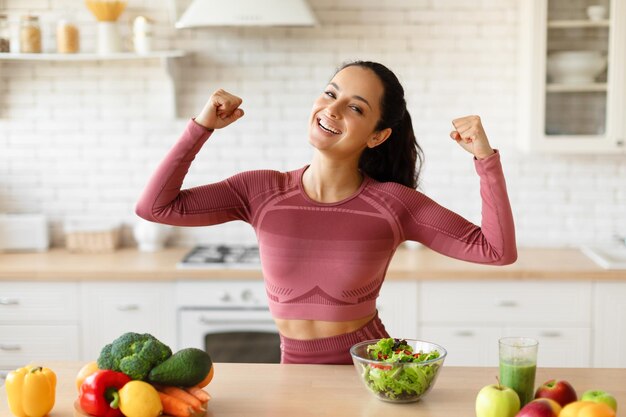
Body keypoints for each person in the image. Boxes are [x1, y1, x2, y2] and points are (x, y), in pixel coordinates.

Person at [135, 60, 517, 365]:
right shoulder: (260, 190)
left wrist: (485, 159)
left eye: (354, 107)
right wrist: (202, 127)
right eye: (330, 94)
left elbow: (496, 251)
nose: (331, 109)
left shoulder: (394, 204)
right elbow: (155, 207)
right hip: (293, 369)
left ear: (377, 136)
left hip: (372, 372)